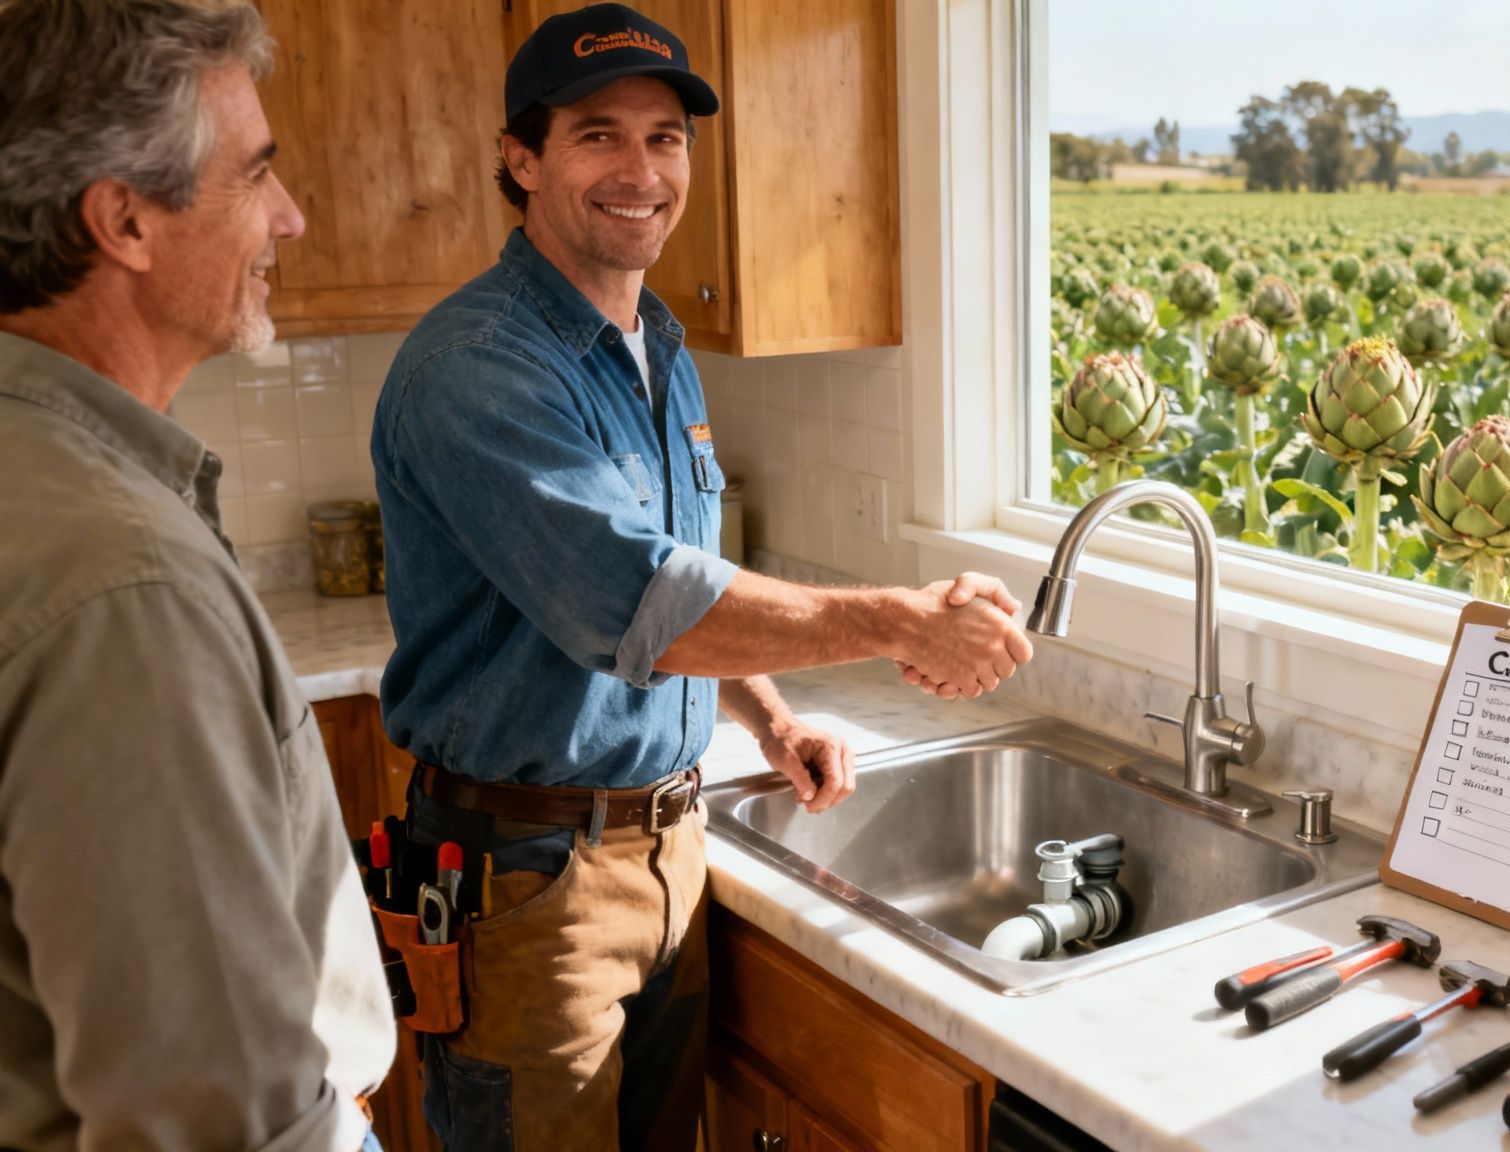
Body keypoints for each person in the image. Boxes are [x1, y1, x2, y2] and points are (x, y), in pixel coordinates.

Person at [370, 4, 1031, 1147]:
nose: (641, 170)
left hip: (669, 850)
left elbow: (682, 562)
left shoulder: (657, 342)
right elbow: (634, 604)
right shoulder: (478, 368)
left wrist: (768, 717)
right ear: (519, 158)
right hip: (528, 888)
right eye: (597, 136)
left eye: (665, 137)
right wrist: (899, 620)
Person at [0, 1, 396, 1148]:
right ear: (124, 220)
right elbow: (214, 1115)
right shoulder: (123, 586)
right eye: (256, 176)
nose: (291, 217)